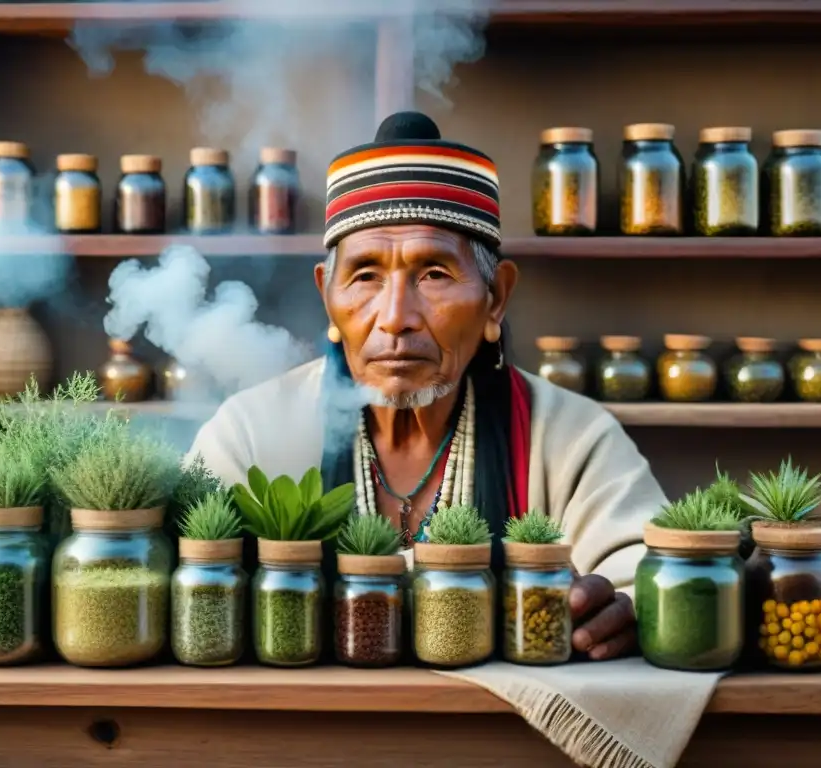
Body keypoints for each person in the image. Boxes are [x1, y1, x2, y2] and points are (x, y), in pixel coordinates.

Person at [188, 111, 668, 661]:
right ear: (328, 297)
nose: (395, 317)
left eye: (434, 275)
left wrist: (624, 609)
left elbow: (646, 572)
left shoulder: (570, 436)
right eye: (365, 276)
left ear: (496, 299)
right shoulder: (251, 433)